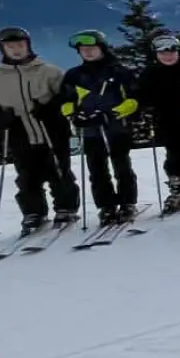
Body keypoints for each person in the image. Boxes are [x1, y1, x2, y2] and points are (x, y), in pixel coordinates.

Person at [0, 26, 81, 233]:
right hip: (19, 133)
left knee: (59, 171)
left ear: (28, 46)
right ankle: (33, 213)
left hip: (51, 130)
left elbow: (68, 95)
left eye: (20, 45)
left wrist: (50, 108)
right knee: (26, 176)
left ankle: (66, 208)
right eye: (10, 46)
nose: (16, 50)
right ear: (2, 49)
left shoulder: (48, 71)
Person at [57, 29, 141, 224]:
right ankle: (106, 206)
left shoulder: (120, 72)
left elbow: (134, 100)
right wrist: (74, 114)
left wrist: (111, 114)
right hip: (90, 131)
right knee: (97, 170)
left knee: (122, 167)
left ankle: (128, 203)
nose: (87, 52)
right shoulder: (74, 75)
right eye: (83, 49)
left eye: (91, 48)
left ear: (101, 48)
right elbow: (64, 101)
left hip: (117, 128)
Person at [135, 31, 180, 213]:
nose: (168, 56)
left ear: (178, 52)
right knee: (174, 157)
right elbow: (140, 95)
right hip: (167, 121)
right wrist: (145, 110)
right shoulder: (150, 74)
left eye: (171, 52)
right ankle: (178, 192)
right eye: (162, 53)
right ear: (156, 54)